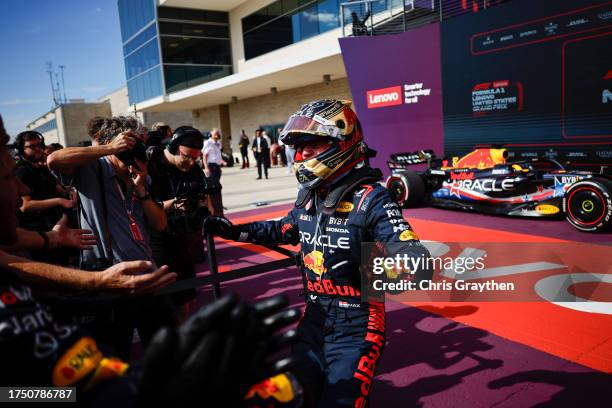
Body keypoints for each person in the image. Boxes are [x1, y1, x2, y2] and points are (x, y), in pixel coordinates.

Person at [205, 99, 432, 407]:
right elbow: (282, 231)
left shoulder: (372, 199)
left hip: (358, 326)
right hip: (314, 319)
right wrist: (233, 231)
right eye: (299, 148)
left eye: (312, 146)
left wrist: (367, 272)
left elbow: (418, 267)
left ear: (342, 143)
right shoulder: (309, 195)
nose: (302, 155)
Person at [47, 116, 175, 359]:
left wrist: (142, 190)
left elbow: (159, 223)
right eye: (129, 143)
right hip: (109, 278)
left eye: (139, 143)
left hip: (146, 272)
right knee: (114, 354)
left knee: (165, 351)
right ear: (113, 143)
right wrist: (107, 149)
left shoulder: (139, 172)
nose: (135, 149)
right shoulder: (92, 167)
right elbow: (53, 160)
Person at [147, 125, 208, 316]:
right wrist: (172, 204)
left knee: (188, 296)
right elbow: (141, 206)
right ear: (173, 147)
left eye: (195, 158)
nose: (190, 162)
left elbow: (202, 199)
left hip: (183, 237)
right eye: (187, 156)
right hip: (155, 240)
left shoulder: (194, 170)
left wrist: (202, 209)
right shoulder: (151, 165)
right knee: (166, 300)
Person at [14, 131, 75, 233]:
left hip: (56, 224)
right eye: (32, 146)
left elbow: (59, 189)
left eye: (39, 145)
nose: (38, 149)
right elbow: (25, 205)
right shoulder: (22, 171)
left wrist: (71, 191)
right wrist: (59, 201)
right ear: (21, 149)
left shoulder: (42, 168)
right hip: (39, 231)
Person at [202, 127, 226, 216]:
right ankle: (212, 206)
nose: (217, 135)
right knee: (212, 187)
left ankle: (218, 205)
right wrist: (206, 168)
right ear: (211, 135)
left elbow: (218, 155)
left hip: (217, 166)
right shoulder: (208, 143)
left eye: (218, 133)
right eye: (215, 133)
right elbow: (205, 156)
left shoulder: (218, 143)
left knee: (217, 187)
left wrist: (221, 162)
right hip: (211, 166)